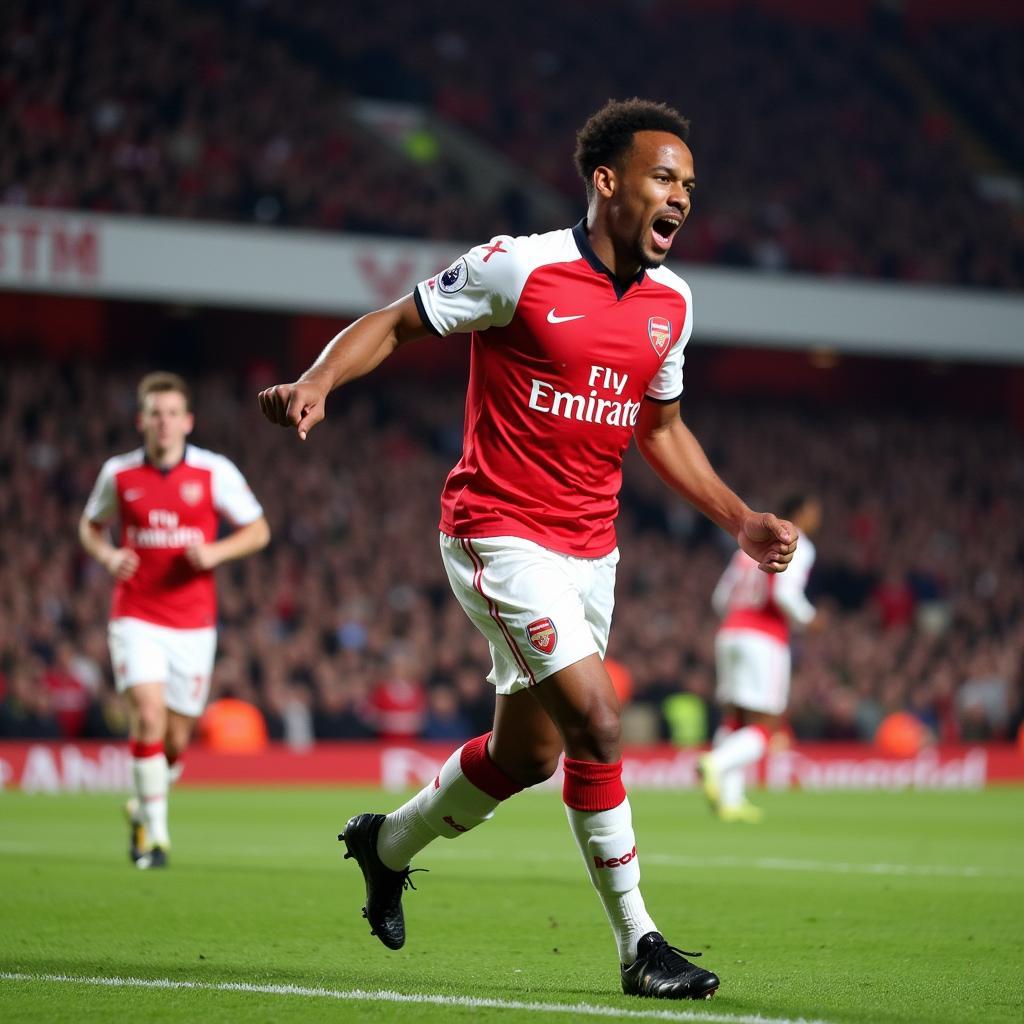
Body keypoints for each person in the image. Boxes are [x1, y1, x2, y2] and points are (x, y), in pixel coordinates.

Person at [259, 98, 797, 1001]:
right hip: (496, 532)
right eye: (665, 177)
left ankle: (384, 846)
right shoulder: (521, 267)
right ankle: (640, 945)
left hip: (592, 553)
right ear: (607, 181)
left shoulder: (673, 303)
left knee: (530, 759)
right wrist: (318, 381)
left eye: (690, 186)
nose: (682, 198)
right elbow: (396, 321)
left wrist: (737, 517)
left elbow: (659, 429)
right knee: (599, 721)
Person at [79, 372, 270, 868]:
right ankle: (155, 835)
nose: (163, 423)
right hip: (135, 615)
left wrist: (215, 552)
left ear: (187, 421)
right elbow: (89, 526)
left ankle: (141, 805)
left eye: (172, 414)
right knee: (147, 714)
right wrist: (105, 556)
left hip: (193, 623)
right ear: (141, 420)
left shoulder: (213, 472)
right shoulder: (118, 474)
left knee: (177, 739)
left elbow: (258, 531)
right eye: (154, 414)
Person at [699, 493, 821, 822]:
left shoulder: (748, 548)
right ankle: (717, 762)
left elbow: (720, 598)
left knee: (735, 719)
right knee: (767, 726)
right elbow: (785, 594)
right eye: (814, 512)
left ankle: (730, 799)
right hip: (764, 639)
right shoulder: (798, 542)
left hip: (730, 633)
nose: (817, 519)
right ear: (800, 512)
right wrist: (810, 619)